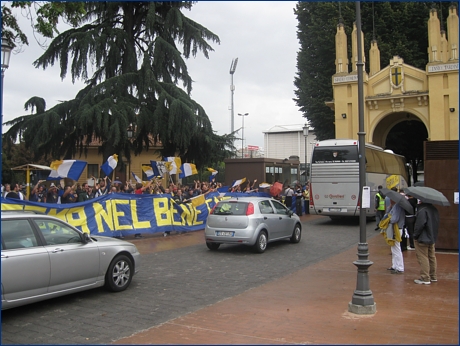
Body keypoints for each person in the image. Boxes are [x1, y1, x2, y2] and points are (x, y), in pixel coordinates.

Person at [413, 202, 440, 285]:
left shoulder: (422, 210)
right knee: (431, 256)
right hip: (432, 237)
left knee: (423, 257)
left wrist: (415, 235)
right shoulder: (434, 209)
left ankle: (425, 277)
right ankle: (433, 276)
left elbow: (420, 224)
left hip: (422, 238)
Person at [385, 198, 405, 274]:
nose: (390, 200)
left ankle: (400, 267)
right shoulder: (395, 206)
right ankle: (395, 265)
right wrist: (389, 208)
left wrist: (389, 218)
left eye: (391, 199)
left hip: (396, 228)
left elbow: (394, 219)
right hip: (396, 228)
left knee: (396, 247)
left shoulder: (397, 207)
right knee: (393, 247)